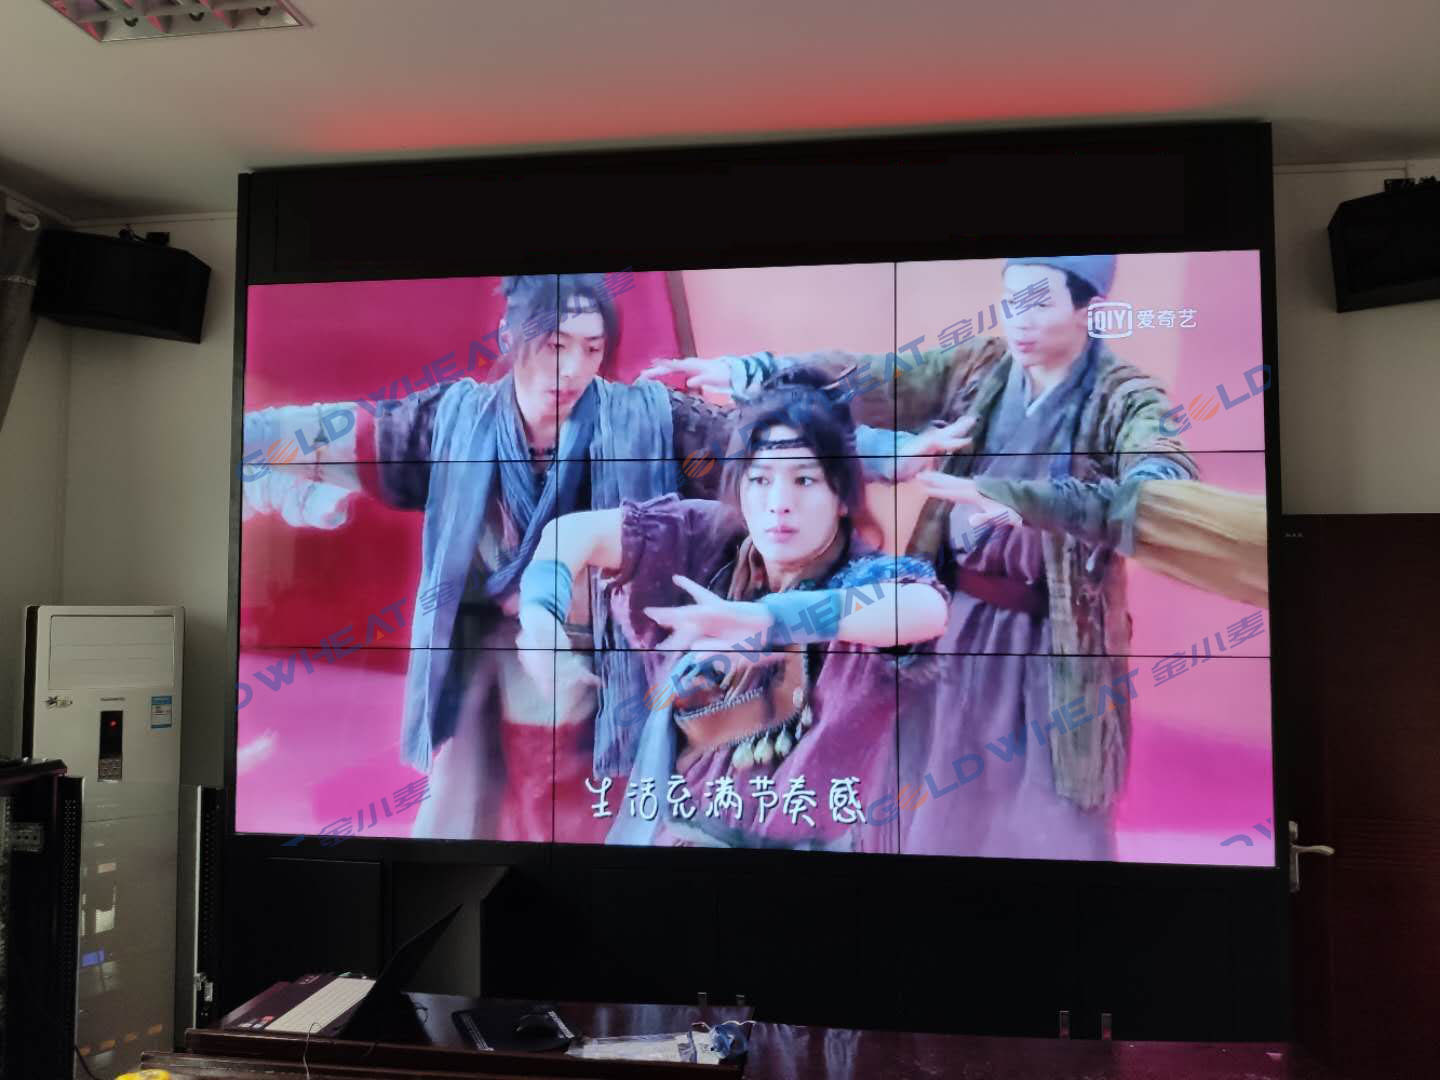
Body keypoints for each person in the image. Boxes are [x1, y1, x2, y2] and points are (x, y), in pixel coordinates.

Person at [647, 255, 1268, 859]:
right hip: (954, 619)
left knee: (1049, 817)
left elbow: (1158, 473)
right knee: (931, 797)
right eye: (1012, 301)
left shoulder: (1123, 397)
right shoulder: (982, 365)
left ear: (1089, 308)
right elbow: (881, 379)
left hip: (1055, 643)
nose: (1020, 320)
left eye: (1041, 302)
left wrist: (1066, 495)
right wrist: (759, 371)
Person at [242, 274, 777, 841]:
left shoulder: (654, 421)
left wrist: (776, 388)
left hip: (627, 670)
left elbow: (765, 453)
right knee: (500, 817)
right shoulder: (452, 423)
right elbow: (353, 435)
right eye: (555, 345)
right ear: (509, 337)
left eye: (591, 349)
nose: (572, 369)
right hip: (510, 668)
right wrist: (253, 442)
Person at [515, 368, 949, 850]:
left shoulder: (868, 577)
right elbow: (572, 534)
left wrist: (770, 620)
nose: (779, 503)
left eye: (805, 479)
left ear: (843, 496)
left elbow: (925, 607)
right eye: (760, 479)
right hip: (676, 835)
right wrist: (540, 617)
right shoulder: (709, 540)